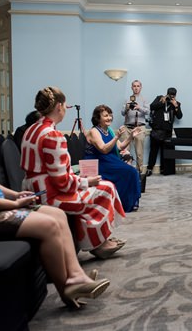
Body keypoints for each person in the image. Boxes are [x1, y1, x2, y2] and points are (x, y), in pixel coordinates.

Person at [0, 90, 110, 309]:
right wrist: (14, 204)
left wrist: (15, 194)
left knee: (56, 215)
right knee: (47, 225)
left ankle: (75, 276)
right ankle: (66, 286)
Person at [21, 87, 126, 259]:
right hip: (50, 195)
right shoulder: (53, 135)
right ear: (59, 107)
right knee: (106, 188)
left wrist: (78, 179)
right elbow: (62, 183)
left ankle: (97, 240)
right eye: (66, 106)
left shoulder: (31, 130)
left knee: (102, 186)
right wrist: (86, 182)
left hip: (33, 190)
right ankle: (96, 243)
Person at [85, 104, 143, 212]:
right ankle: (122, 203)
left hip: (110, 161)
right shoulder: (94, 131)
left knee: (132, 171)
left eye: (110, 115)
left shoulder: (109, 130)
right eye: (106, 116)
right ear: (98, 118)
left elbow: (120, 146)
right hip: (98, 163)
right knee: (130, 171)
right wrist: (116, 137)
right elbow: (103, 149)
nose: (109, 118)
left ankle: (124, 202)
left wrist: (131, 137)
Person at [147, 87, 182, 176]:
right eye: (170, 95)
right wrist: (162, 102)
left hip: (167, 131)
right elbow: (151, 107)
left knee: (165, 151)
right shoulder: (159, 98)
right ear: (167, 94)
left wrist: (176, 106)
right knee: (153, 151)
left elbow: (179, 116)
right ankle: (149, 169)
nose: (171, 97)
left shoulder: (176, 104)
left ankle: (164, 169)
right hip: (157, 129)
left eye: (173, 96)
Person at [121, 80, 150, 174]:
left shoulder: (144, 99)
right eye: (134, 86)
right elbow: (122, 113)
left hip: (139, 127)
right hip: (127, 128)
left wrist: (139, 107)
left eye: (138, 86)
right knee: (125, 151)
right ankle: (125, 172)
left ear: (141, 87)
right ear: (131, 87)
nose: (136, 88)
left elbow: (148, 112)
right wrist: (127, 108)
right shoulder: (127, 99)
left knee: (139, 152)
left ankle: (139, 173)